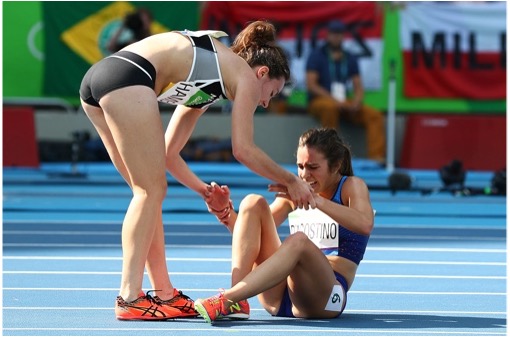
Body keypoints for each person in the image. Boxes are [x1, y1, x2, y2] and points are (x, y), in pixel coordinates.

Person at [79, 20, 316, 321]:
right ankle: (129, 297)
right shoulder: (243, 75)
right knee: (149, 192)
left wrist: (204, 190)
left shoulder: (210, 82)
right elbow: (243, 149)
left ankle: (165, 294)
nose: (267, 103)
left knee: (148, 197)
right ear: (262, 73)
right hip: (128, 76)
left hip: (101, 79)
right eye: (273, 92)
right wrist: (291, 180)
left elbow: (168, 153)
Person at [194, 127, 375, 323]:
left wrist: (316, 200)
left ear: (336, 165)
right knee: (253, 202)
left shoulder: (351, 186)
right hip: (279, 296)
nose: (304, 175)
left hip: (326, 297)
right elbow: (251, 235)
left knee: (299, 241)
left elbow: (364, 224)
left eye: (313, 167)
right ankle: (237, 302)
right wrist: (225, 214)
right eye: (300, 166)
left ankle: (228, 298)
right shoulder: (294, 193)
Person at [305, 20, 386, 162]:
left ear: (343, 36)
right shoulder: (317, 55)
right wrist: (336, 101)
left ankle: (376, 159)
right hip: (321, 101)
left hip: (343, 101)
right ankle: (329, 157)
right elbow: (312, 85)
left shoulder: (349, 57)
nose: (337, 37)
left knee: (374, 115)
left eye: (340, 34)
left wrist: (356, 101)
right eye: (334, 34)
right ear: (328, 35)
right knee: (330, 108)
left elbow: (358, 86)